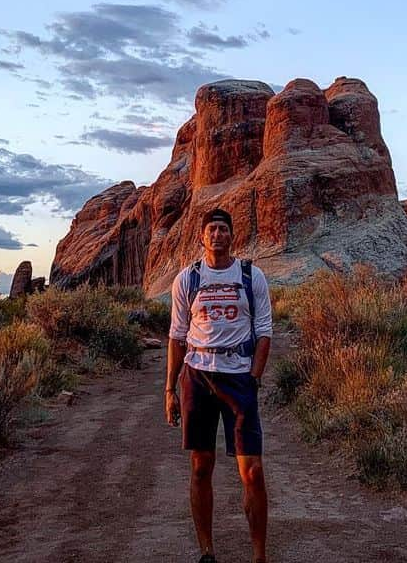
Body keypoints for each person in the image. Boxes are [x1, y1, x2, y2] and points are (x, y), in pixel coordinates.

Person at [165, 207, 274, 563]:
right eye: (211, 229)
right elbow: (177, 337)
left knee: (252, 470)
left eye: (223, 229)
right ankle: (207, 552)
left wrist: (254, 377)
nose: (217, 235)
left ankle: (259, 556)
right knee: (201, 464)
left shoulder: (250, 275)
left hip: (239, 377)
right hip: (197, 375)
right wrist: (170, 389)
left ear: (232, 236)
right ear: (201, 237)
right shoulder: (187, 279)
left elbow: (264, 333)